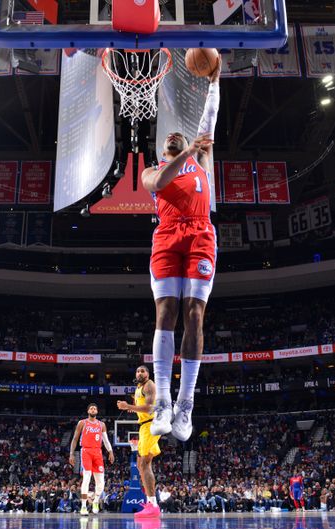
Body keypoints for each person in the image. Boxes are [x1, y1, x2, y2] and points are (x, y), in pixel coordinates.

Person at [140, 57, 222, 441]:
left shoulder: (202, 157)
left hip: (201, 234)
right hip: (167, 236)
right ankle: (162, 402)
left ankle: (185, 405)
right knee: (165, 311)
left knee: (194, 315)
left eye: (178, 136)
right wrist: (187, 151)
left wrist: (215, 81)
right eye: (169, 138)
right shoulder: (154, 170)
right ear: (166, 147)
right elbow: (158, 185)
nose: (173, 136)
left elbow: (210, 116)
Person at [117, 365, 161, 517]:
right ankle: (151, 503)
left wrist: (128, 406)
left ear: (148, 374)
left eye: (143, 371)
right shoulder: (138, 387)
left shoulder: (149, 385)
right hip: (145, 426)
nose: (140, 373)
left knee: (144, 463)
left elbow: (149, 408)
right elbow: (142, 406)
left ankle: (152, 505)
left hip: (151, 424)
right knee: (142, 463)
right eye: (137, 371)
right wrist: (133, 407)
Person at [68, 403, 115, 515]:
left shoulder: (101, 424)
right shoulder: (82, 423)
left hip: (97, 452)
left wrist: (110, 451)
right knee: (87, 478)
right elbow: (75, 439)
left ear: (97, 412)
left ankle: (96, 501)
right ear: (88, 410)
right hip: (86, 451)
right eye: (91, 408)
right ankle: (84, 506)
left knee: (101, 482)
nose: (93, 409)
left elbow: (106, 440)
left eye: (95, 408)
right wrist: (71, 454)